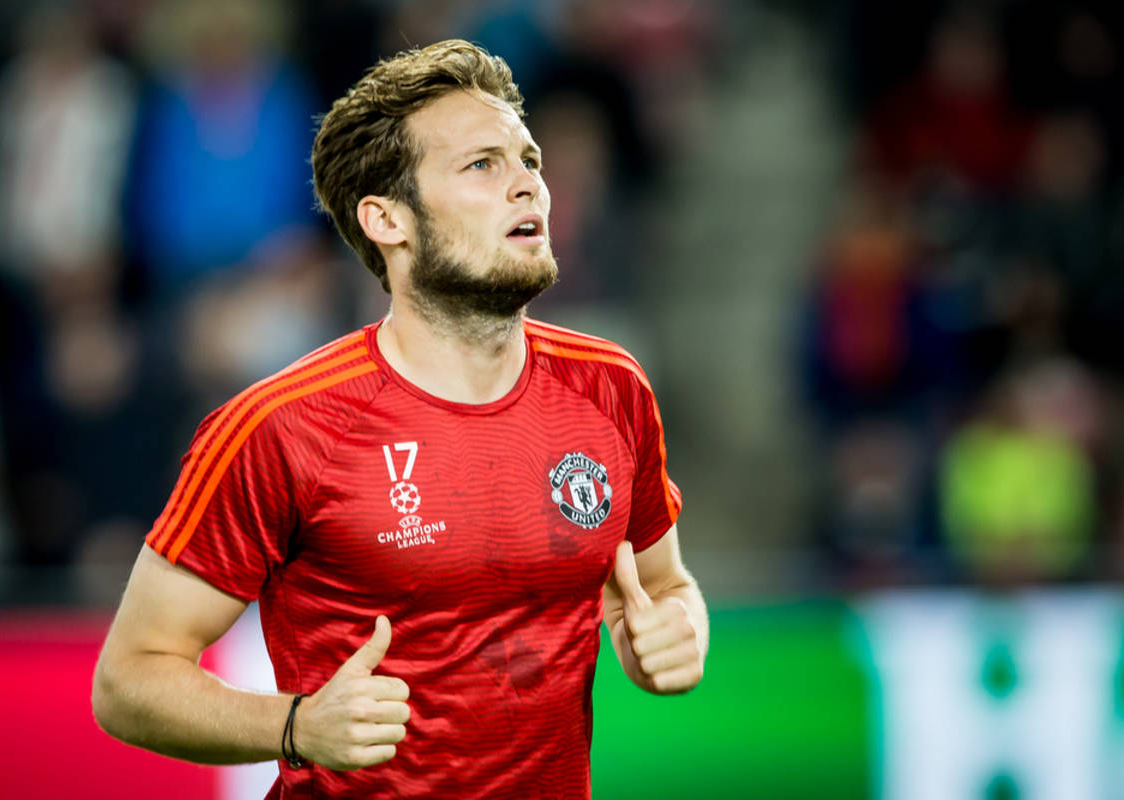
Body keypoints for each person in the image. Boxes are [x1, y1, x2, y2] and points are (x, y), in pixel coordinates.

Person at [91, 39, 708, 799]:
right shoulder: (281, 427)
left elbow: (663, 585)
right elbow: (128, 680)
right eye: (482, 165)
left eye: (529, 160)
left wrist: (676, 632)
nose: (529, 185)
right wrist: (297, 725)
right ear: (388, 219)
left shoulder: (611, 387)